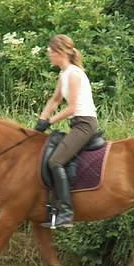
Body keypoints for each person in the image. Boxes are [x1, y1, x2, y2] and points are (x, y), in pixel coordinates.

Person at [34, 34, 98, 228]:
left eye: (51, 52)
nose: (49, 55)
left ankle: (66, 214)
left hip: (85, 124)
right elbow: (55, 100)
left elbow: (71, 108)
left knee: (55, 161)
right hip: (77, 124)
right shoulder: (64, 74)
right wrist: (41, 120)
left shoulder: (74, 73)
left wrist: (50, 121)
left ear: (60, 52)